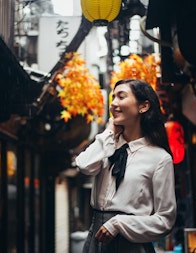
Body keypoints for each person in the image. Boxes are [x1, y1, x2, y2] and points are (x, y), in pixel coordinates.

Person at [75, 79, 177, 253]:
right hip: (96, 239)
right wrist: (109, 133)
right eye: (113, 97)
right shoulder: (107, 145)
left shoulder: (159, 158)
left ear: (143, 107)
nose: (114, 103)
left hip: (131, 244)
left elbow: (165, 219)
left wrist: (119, 223)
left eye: (121, 97)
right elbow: (84, 165)